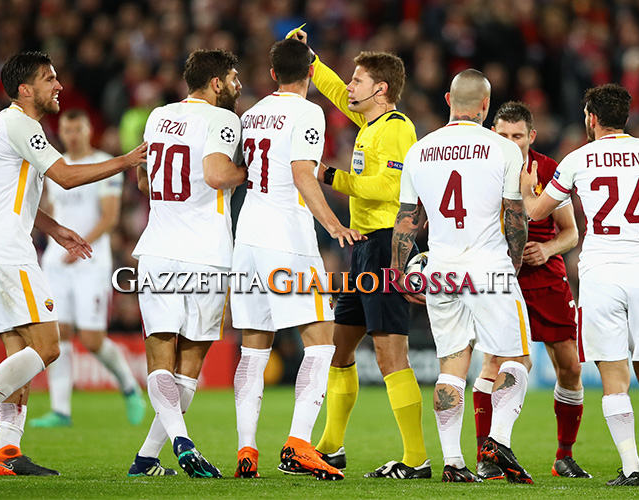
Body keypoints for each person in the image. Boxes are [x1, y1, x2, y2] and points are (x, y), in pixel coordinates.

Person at [0, 51, 147, 476]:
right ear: (25, 89)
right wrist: (125, 161)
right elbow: (67, 177)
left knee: (20, 352)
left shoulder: (4, 125)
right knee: (48, 346)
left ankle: (8, 453)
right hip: (5, 251)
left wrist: (53, 228)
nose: (59, 86)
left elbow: (11, 195)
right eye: (49, 79)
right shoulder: (20, 123)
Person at [521, 83, 639, 487]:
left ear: (591, 118)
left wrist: (527, 194)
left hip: (601, 273)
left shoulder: (578, 158)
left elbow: (538, 212)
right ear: (625, 118)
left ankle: (632, 468)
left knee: (614, 379)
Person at [291, 29, 429, 479]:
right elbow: (331, 91)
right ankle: (331, 447)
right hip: (363, 248)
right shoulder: (371, 126)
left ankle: (416, 458)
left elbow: (390, 186)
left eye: (357, 80)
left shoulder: (396, 128)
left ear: (380, 89)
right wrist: (309, 61)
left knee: (391, 355)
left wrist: (331, 177)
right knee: (339, 349)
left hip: (387, 247)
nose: (348, 86)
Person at [391, 69, 534, 484]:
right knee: (517, 356)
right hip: (488, 265)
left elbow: (407, 221)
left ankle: (453, 462)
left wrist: (403, 274)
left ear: (448, 100)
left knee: (452, 366)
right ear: (486, 107)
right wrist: (515, 261)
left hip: (440, 269)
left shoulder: (419, 150)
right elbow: (515, 216)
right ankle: (499, 440)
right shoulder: (504, 149)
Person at [230, 38, 363, 481]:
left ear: (272, 74)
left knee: (253, 347)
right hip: (286, 237)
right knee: (323, 339)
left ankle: (246, 449)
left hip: (246, 235)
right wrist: (331, 223)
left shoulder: (249, 114)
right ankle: (298, 443)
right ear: (311, 73)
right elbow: (302, 174)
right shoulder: (308, 113)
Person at [126, 49, 246, 479]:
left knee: (160, 355)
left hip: (158, 248)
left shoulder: (158, 116)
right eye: (233, 78)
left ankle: (147, 458)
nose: (237, 85)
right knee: (190, 362)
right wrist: (245, 172)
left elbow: (143, 178)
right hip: (208, 254)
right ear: (216, 83)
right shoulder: (224, 120)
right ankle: (182, 442)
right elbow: (217, 175)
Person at [470, 101, 589, 480]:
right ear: (492, 134)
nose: (508, 142)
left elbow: (570, 232)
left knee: (569, 366)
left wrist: (548, 248)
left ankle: (563, 456)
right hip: (500, 273)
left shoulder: (550, 169)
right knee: (496, 362)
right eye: (502, 135)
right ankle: (486, 457)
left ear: (531, 136)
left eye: (516, 136)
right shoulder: (479, 170)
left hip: (545, 275)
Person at [30, 109, 146, 429]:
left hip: (90, 262)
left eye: (78, 129)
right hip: (56, 262)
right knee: (59, 334)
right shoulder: (56, 167)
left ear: (89, 129)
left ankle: (129, 386)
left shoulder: (106, 164)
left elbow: (109, 218)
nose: (72, 136)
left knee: (92, 339)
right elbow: (54, 209)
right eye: (67, 130)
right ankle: (60, 410)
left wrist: (78, 245)